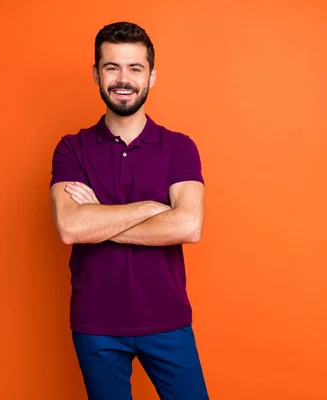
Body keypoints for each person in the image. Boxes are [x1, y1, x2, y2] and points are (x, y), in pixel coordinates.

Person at [49, 21, 209, 400]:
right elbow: (70, 227)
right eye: (112, 67)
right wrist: (154, 209)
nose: (124, 79)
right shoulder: (72, 148)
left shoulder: (180, 147)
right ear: (96, 73)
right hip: (96, 325)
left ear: (151, 76)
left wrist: (100, 218)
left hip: (167, 319)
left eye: (135, 68)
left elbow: (189, 225)